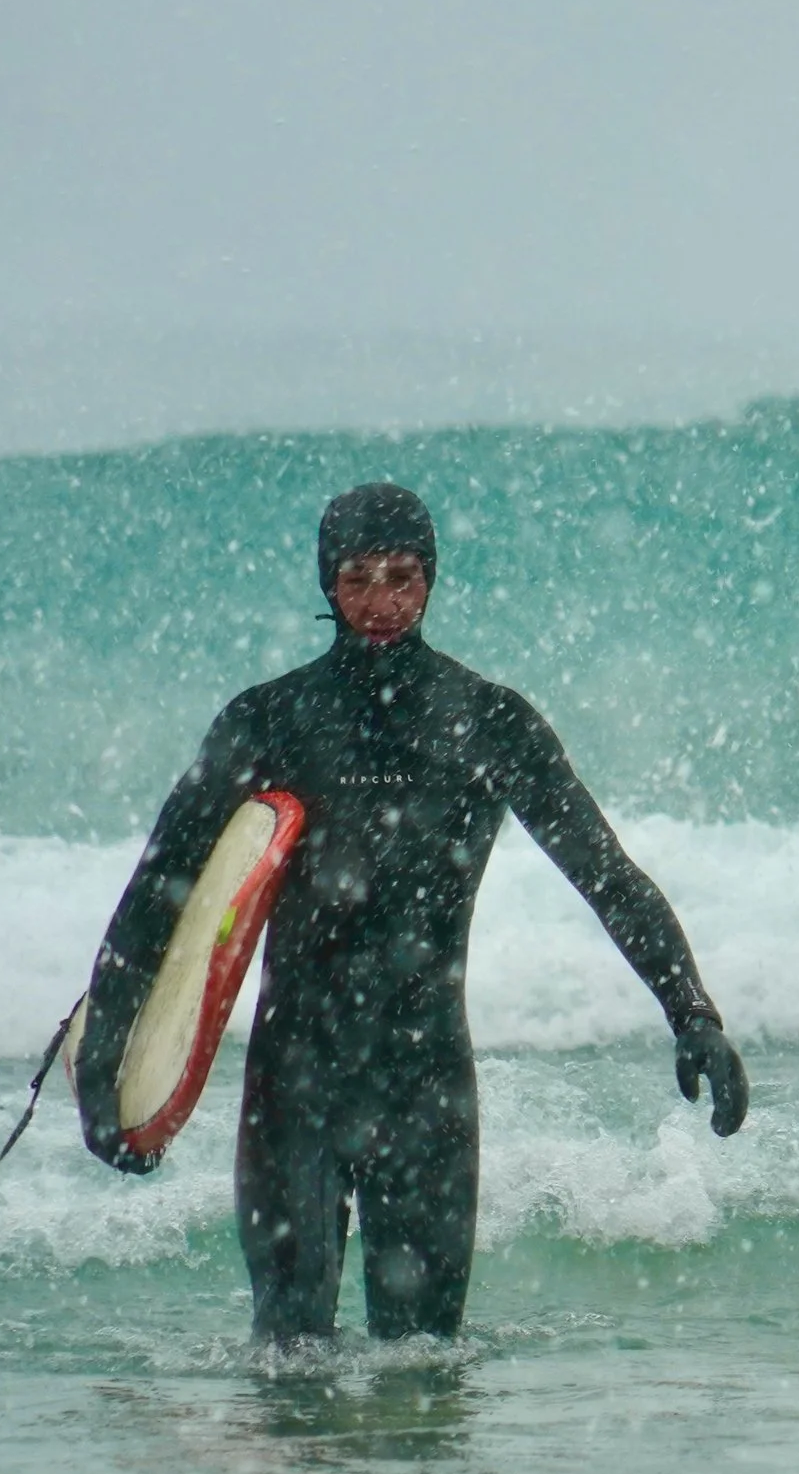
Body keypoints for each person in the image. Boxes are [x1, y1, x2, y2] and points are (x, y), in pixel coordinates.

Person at [76, 481, 748, 1342]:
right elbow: (158, 897)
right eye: (358, 577)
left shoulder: (488, 720)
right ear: (327, 582)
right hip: (295, 1086)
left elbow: (606, 873)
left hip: (424, 1084)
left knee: (425, 1378)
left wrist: (691, 1010)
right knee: (290, 1370)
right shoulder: (269, 720)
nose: (382, 602)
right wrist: (107, 1063)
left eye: (402, 576)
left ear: (431, 578)